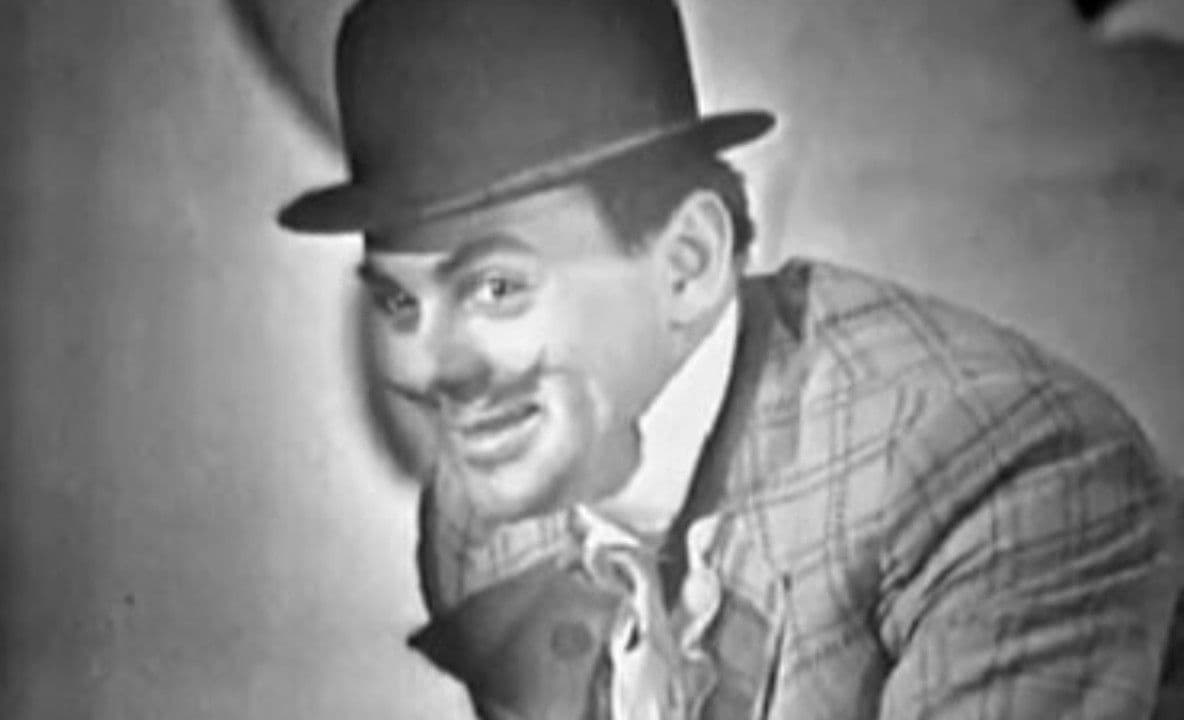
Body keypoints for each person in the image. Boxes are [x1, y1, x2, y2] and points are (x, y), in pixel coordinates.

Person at [274, 0, 1184, 717]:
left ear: (688, 263)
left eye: (497, 287)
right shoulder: (481, 521)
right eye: (399, 301)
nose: (434, 370)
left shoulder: (1001, 478)